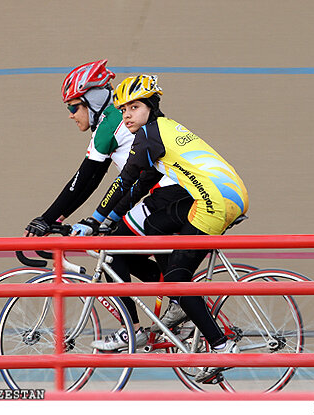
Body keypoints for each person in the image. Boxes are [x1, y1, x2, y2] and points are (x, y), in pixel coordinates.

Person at [89, 74, 249, 383]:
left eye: (133, 108)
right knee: (154, 222)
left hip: (215, 204)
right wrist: (112, 218)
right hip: (223, 196)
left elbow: (125, 180)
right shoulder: (163, 129)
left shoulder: (149, 135)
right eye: (122, 110)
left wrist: (95, 220)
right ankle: (177, 301)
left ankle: (221, 344)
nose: (126, 116)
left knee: (178, 279)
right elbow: (144, 181)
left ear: (149, 106)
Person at [24, 60, 188, 350]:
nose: (71, 115)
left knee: (110, 249)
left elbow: (84, 177)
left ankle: (134, 329)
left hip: (165, 195)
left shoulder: (111, 122)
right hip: (162, 195)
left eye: (73, 107)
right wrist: (58, 218)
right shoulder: (111, 123)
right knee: (124, 253)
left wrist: (47, 218)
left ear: (92, 100)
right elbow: (92, 182)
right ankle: (180, 305)